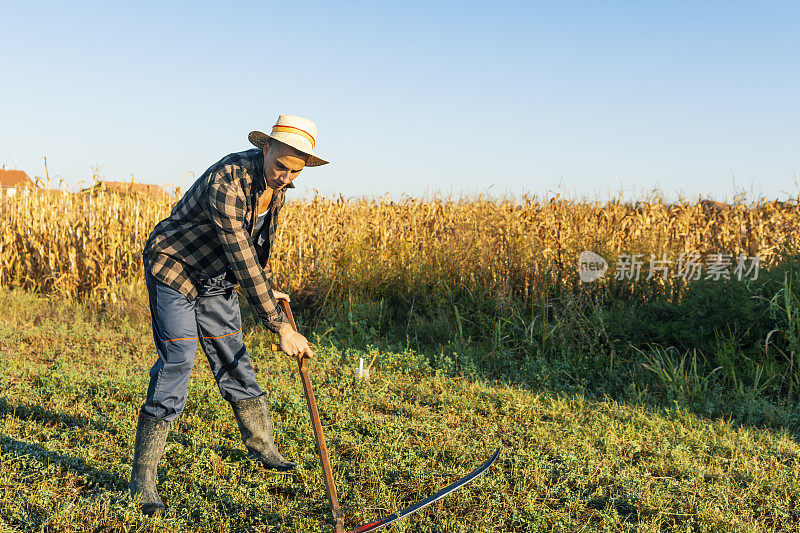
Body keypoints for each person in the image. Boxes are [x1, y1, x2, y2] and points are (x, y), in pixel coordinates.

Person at [129, 114, 328, 516]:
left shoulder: (275, 187)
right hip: (176, 270)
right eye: (282, 167)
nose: (287, 178)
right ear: (266, 147)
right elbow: (240, 256)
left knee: (234, 358)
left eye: (296, 173)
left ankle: (263, 447)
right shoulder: (228, 181)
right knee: (178, 361)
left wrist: (269, 291)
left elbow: (255, 254)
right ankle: (142, 483)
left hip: (216, 278)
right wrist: (279, 326)